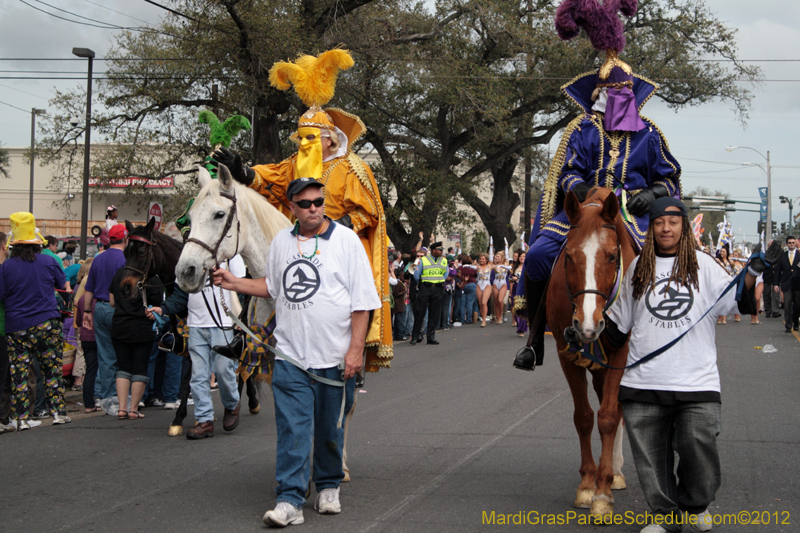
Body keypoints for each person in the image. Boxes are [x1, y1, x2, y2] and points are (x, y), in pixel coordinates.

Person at [514, 2, 681, 371]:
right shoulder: (582, 129)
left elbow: (668, 177)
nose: (619, 96)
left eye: (625, 89)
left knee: (664, 265)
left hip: (634, 215)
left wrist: (649, 196)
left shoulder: (650, 134)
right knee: (540, 255)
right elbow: (568, 174)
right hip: (585, 212)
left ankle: (667, 335)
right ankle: (535, 339)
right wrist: (588, 197)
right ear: (599, 93)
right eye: (612, 90)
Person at [210, 49, 392, 373]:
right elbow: (270, 180)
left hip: (339, 240)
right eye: (301, 137)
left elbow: (371, 212)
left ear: (330, 140)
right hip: (298, 240)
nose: (305, 143)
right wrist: (244, 172)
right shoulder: (294, 164)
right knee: (267, 266)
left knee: (354, 289)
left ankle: (357, 346)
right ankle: (249, 339)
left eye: (312, 137)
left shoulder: (351, 167)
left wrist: (344, 224)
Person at [212, 178, 380, 526]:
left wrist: (355, 351)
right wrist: (233, 282)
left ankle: (329, 486)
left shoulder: (347, 241)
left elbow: (363, 303)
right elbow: (272, 286)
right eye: (305, 203)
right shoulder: (281, 243)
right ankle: (290, 499)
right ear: (292, 207)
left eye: (319, 201)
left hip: (333, 359)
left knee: (329, 429)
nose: (314, 208)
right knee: (292, 429)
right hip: (290, 357)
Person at [604, 198, 776, 533]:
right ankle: (665, 517)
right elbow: (617, 329)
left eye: (672, 222)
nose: (666, 228)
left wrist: (752, 273)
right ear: (651, 228)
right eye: (659, 223)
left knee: (699, 452)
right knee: (652, 461)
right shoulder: (638, 268)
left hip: (696, 382)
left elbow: (738, 300)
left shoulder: (705, 265)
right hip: (644, 382)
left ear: (683, 226)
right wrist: (587, 329)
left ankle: (696, 505)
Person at [147, 256, 246, 438]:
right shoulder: (187, 258)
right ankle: (204, 420)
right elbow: (181, 295)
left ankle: (232, 405)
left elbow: (241, 288)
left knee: (223, 370)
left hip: (222, 324)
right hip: (196, 326)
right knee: (198, 375)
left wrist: (241, 317)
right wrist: (164, 308)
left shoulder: (231, 256)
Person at [0, 213, 70, 428]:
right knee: (52, 369)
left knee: (19, 373)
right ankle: (58, 413)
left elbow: (2, 295)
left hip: (17, 326)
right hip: (47, 322)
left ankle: (21, 419)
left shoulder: (6, 267)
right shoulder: (49, 261)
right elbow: (61, 283)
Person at [82, 224, 128, 401]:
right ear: (125, 239)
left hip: (98, 307)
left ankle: (106, 395)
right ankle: (121, 396)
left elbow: (89, 288)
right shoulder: (124, 258)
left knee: (105, 355)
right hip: (117, 308)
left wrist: (87, 311)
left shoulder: (98, 258)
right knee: (123, 354)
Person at [410, 242, 448, 346]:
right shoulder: (423, 260)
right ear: (433, 250)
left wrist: (438, 282)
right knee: (420, 312)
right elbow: (417, 275)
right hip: (425, 288)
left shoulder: (444, 261)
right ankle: (415, 337)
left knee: (434, 314)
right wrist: (424, 283)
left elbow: (446, 274)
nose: (441, 251)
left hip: (438, 289)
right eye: (439, 250)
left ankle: (431, 337)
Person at [773, 235, 800, 333]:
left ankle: (796, 323)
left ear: (796, 243)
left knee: (797, 305)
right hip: (786, 283)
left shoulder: (799, 254)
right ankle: (788, 325)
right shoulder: (783, 256)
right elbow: (777, 271)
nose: (791, 244)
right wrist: (776, 284)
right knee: (787, 304)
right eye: (790, 243)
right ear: (787, 244)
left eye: (793, 242)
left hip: (798, 284)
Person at [714, 244, 734, 324]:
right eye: (721, 251)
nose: (722, 253)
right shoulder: (718, 261)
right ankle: (719, 317)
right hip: (719, 282)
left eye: (723, 251)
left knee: (726, 300)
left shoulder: (730, 262)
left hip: (727, 283)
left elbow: (732, 272)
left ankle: (724, 317)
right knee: (719, 300)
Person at [490, 251, 510, 325]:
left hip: (503, 284)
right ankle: (498, 317)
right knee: (496, 302)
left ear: (501, 258)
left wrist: (506, 245)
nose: (496, 258)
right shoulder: (494, 265)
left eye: (498, 257)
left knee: (500, 300)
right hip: (495, 283)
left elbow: (507, 259)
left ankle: (500, 316)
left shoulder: (505, 264)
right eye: (495, 257)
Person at [458, 255, 478, 324]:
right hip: (472, 284)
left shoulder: (460, 268)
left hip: (463, 284)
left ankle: (462, 319)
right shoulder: (472, 269)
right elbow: (476, 275)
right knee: (470, 303)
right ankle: (469, 319)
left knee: (462, 303)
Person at [475, 253, 492, 327]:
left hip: (487, 285)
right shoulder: (477, 266)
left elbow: (491, 255)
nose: (481, 260)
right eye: (480, 259)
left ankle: (484, 320)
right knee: (480, 304)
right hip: (479, 285)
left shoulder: (489, 266)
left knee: (484, 302)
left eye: (483, 259)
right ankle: (483, 317)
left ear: (486, 260)